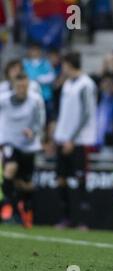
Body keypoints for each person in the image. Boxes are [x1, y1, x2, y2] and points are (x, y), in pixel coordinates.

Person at [53, 52, 97, 230]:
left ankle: (83, 220)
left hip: (79, 141)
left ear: (69, 64)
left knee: (80, 179)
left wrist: (72, 138)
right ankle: (66, 218)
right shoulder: (66, 84)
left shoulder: (86, 84)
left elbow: (86, 114)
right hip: (63, 138)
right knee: (61, 179)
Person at [0, 73, 46, 228]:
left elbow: (41, 122)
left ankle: (25, 210)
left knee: (25, 184)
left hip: (28, 145)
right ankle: (8, 208)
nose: (22, 89)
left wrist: (33, 132)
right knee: (10, 169)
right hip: (8, 142)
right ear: (13, 86)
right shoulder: (4, 100)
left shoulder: (35, 100)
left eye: (24, 86)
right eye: (19, 86)